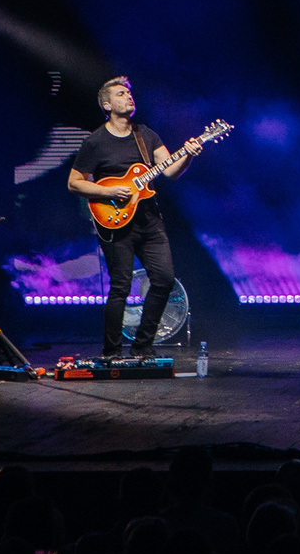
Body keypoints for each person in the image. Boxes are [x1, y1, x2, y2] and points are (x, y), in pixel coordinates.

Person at [69, 76, 202, 359]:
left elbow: (169, 171)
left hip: (150, 219)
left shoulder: (146, 135)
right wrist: (109, 192)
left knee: (164, 280)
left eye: (129, 93)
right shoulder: (96, 142)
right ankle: (112, 351)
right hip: (115, 222)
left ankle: (143, 346)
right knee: (120, 287)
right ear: (107, 104)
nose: (129, 97)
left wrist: (188, 155)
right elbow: (74, 183)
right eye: (121, 94)